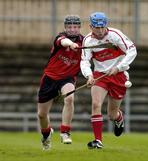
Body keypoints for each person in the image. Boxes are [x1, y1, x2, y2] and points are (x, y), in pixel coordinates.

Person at [80, 12, 137, 149]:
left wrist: (118, 68)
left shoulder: (115, 35)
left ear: (106, 25)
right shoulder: (88, 40)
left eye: (102, 27)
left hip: (118, 76)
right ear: (90, 26)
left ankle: (118, 118)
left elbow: (132, 50)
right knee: (95, 104)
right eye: (96, 28)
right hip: (100, 75)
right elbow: (85, 61)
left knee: (111, 114)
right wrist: (89, 76)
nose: (100, 31)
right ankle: (98, 141)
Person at [37, 15, 84, 150]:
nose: (72, 30)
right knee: (42, 115)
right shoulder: (60, 38)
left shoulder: (85, 41)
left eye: (75, 27)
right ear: (65, 28)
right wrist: (71, 44)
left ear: (79, 28)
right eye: (69, 27)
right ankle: (46, 135)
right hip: (50, 78)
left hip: (67, 78)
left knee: (69, 98)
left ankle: (65, 132)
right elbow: (63, 42)